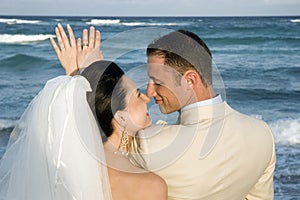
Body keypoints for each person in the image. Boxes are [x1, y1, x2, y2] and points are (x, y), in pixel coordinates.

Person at [0, 24, 167, 200]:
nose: (147, 99)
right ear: (120, 116)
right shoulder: (149, 185)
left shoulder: (66, 165)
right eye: (138, 95)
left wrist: (78, 77)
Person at [134, 29, 276, 199]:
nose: (149, 91)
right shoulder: (262, 133)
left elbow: (102, 170)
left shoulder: (150, 144)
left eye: (157, 82)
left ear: (190, 80)